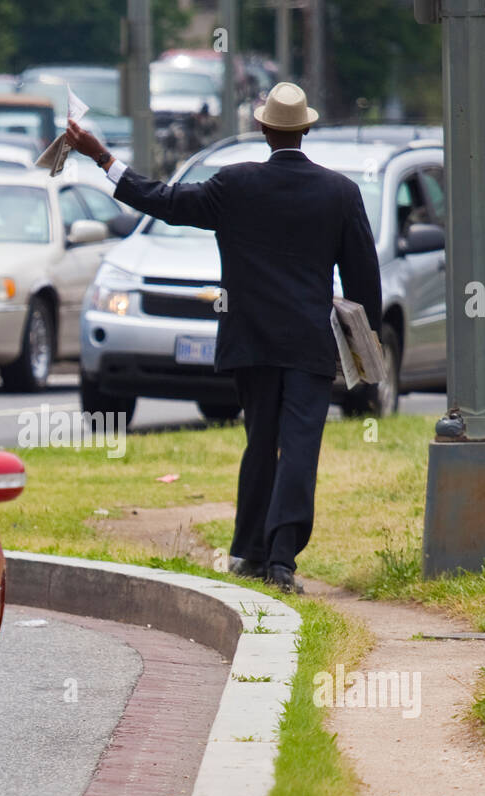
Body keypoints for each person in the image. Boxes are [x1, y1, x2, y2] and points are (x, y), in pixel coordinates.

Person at [63, 82, 381, 594]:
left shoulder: (232, 185)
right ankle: (282, 561)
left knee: (260, 443)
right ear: (305, 129)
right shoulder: (340, 193)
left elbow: (162, 201)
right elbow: (364, 280)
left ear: (262, 128)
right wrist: (370, 343)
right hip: (308, 345)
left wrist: (101, 156)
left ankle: (248, 552)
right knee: (299, 447)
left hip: (250, 340)